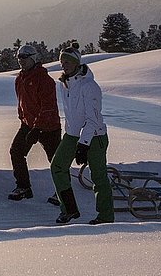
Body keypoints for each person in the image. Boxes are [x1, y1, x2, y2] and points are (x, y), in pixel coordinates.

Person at [51, 41, 114, 224]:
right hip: (72, 135)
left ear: (77, 63)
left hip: (94, 137)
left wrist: (83, 144)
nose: (64, 65)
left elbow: (92, 120)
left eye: (68, 62)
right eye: (62, 62)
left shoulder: (89, 86)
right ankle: (69, 209)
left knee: (98, 176)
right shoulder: (65, 84)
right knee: (57, 167)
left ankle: (105, 216)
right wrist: (72, 136)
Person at [8, 44, 61, 204]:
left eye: (25, 57)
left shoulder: (44, 80)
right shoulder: (20, 79)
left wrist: (38, 128)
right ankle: (24, 187)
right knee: (16, 152)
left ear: (33, 58)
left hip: (49, 126)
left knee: (57, 161)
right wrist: (23, 118)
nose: (21, 60)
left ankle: (62, 192)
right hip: (28, 124)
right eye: (19, 57)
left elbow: (48, 106)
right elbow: (22, 102)